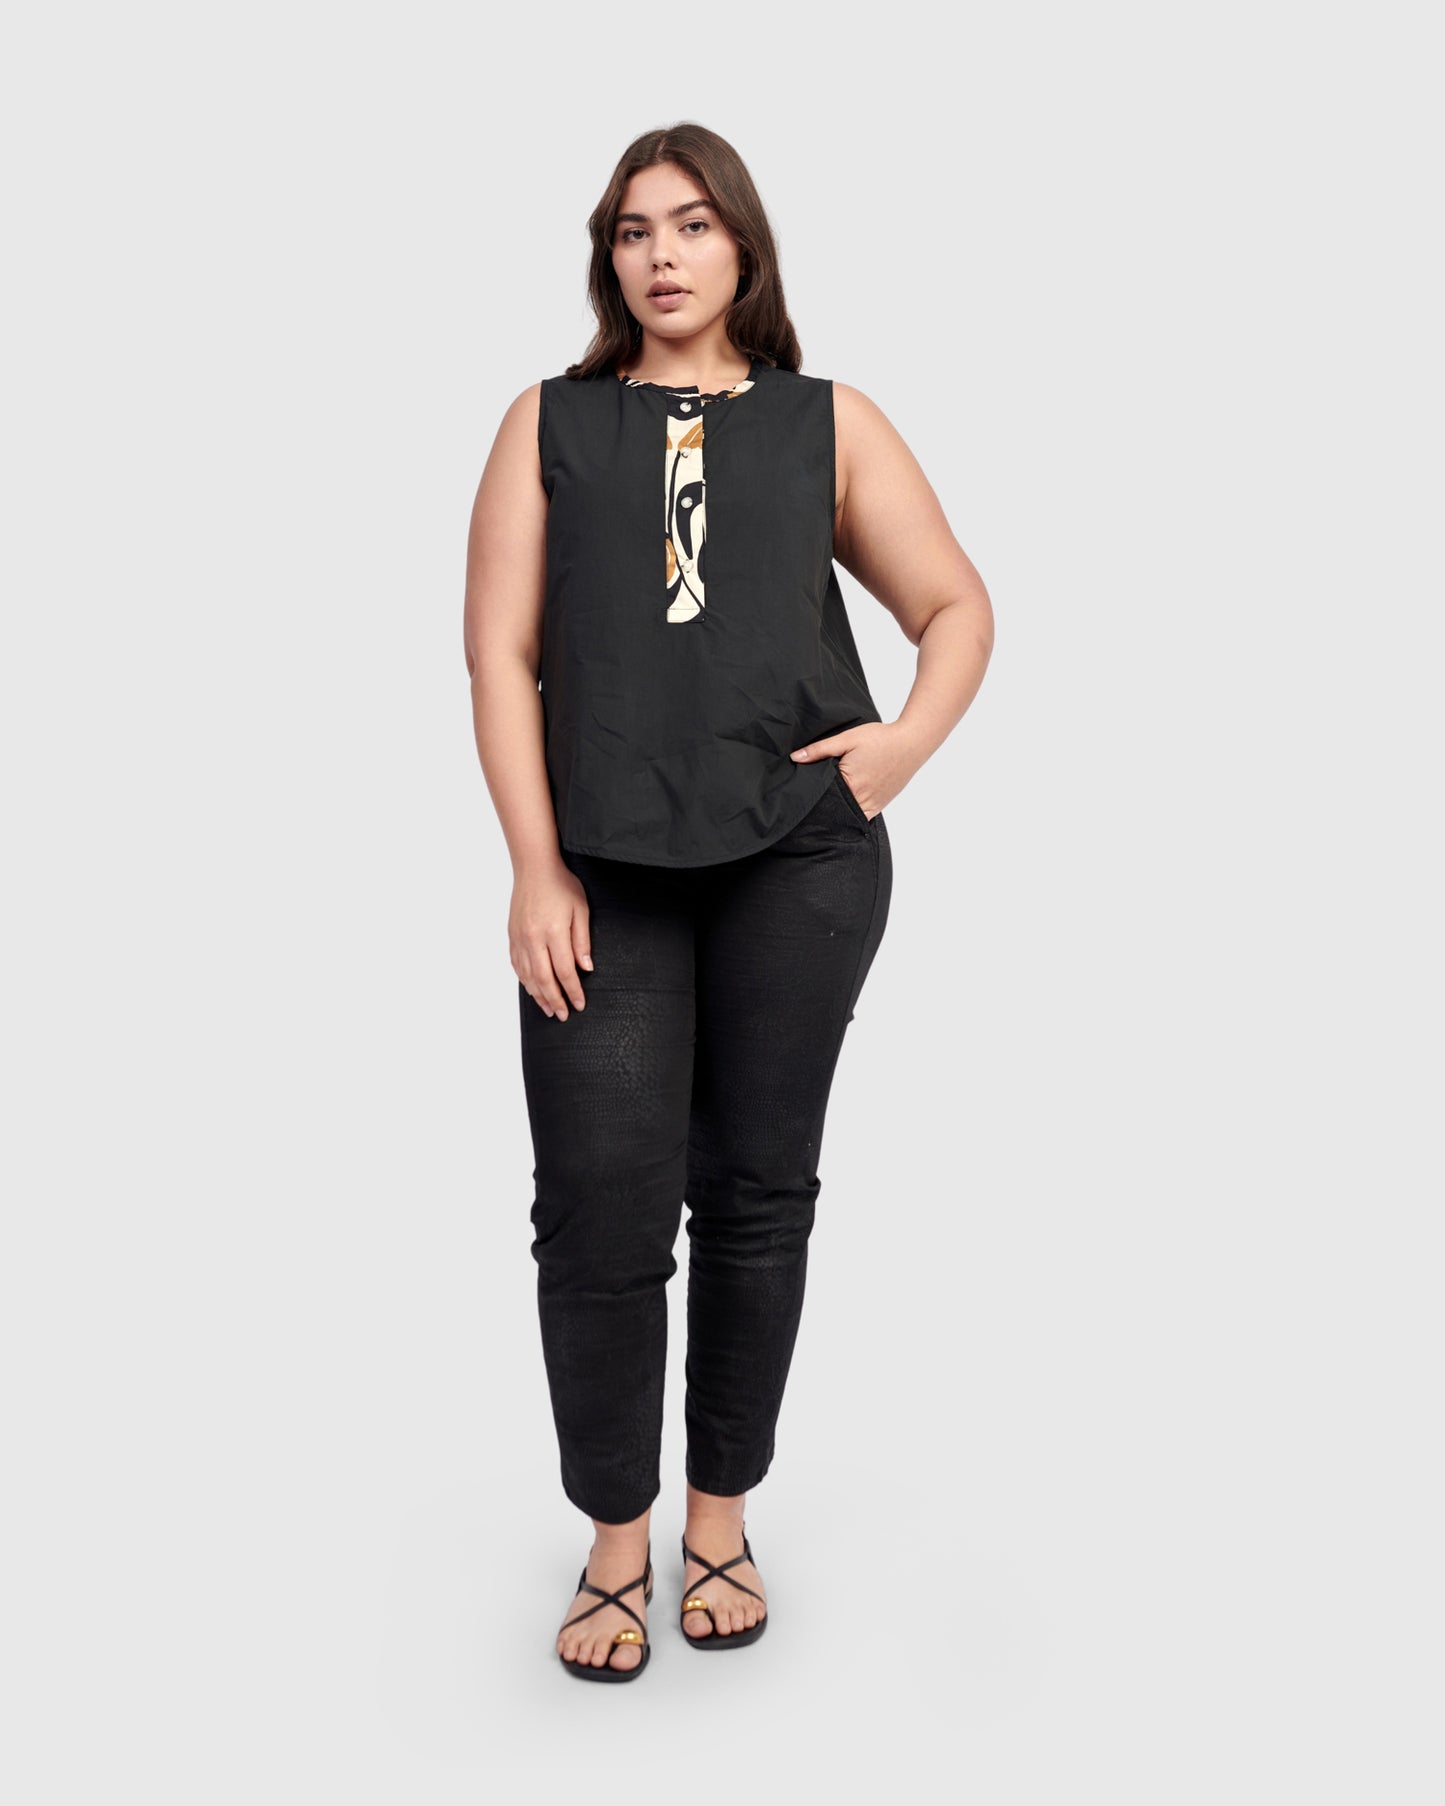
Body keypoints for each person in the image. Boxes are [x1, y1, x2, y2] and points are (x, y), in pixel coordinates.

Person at [462, 123, 993, 1681]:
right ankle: (613, 1537)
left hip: (796, 865)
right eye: (633, 231)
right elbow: (498, 651)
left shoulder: (829, 422)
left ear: (743, 247)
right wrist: (534, 863)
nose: (663, 255)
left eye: (692, 225)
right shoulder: (549, 423)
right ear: (607, 257)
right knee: (598, 1210)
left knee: (757, 1195)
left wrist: (898, 748)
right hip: (604, 875)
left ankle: (717, 1521)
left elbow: (955, 604)